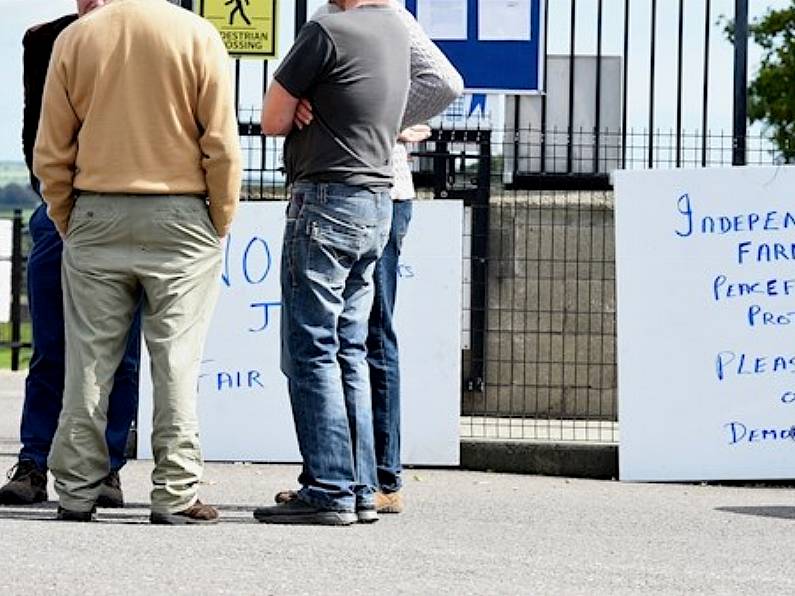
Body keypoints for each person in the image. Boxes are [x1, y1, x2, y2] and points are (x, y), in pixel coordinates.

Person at [33, 0, 241, 524]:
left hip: (96, 210)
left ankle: (77, 491)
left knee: (88, 361)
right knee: (176, 362)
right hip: (181, 215)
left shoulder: (77, 38)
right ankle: (175, 492)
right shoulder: (196, 33)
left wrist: (66, 213)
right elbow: (220, 143)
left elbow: (51, 148)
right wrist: (220, 216)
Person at [273, 1, 463, 515]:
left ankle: (370, 478)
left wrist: (378, 117)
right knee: (350, 342)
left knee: (352, 339)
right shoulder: (348, 22)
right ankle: (351, 480)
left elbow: (446, 82)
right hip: (375, 192)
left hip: (359, 188)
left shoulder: (386, 17)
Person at [253, 0, 411, 526]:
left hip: (324, 200)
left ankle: (327, 488)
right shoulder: (394, 28)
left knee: (311, 348)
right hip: (377, 201)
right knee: (350, 347)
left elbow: (271, 120)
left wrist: (302, 101)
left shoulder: (325, 31)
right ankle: (362, 487)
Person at [0, 0, 141, 510]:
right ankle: (35, 460)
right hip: (62, 206)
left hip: (123, 204)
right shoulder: (44, 39)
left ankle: (107, 468)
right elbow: (33, 129)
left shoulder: (142, 37)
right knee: (51, 346)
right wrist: (53, 199)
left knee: (121, 351)